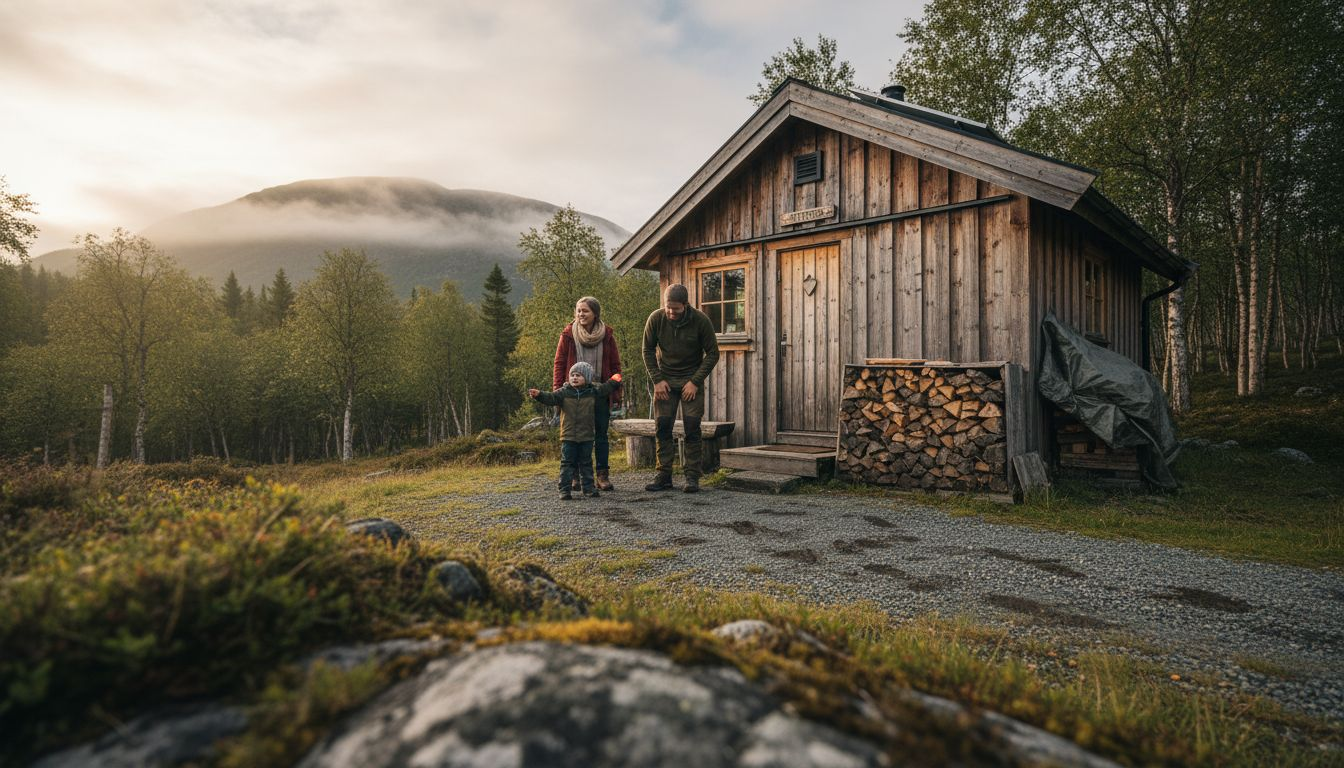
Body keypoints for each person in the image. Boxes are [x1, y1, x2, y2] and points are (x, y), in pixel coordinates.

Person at [641, 283, 720, 493]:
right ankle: (663, 475)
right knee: (662, 427)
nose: (670, 312)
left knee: (692, 429)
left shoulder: (701, 321)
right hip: (664, 380)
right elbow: (647, 350)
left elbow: (713, 353)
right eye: (668, 307)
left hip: (690, 380)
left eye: (675, 308)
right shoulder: (656, 319)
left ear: (685, 305)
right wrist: (657, 379)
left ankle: (692, 477)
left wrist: (695, 381)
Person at [553, 296, 622, 491]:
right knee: (575, 436)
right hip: (574, 394)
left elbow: (616, 366)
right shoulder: (568, 335)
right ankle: (574, 476)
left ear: (595, 314)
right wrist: (558, 392)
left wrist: (616, 391)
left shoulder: (607, 335)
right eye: (578, 310)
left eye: (585, 311)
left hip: (600, 392)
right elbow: (559, 365)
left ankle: (602, 475)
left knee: (601, 435)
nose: (581, 314)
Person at [529, 363, 622, 500]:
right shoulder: (564, 392)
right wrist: (539, 395)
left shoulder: (592, 392)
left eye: (578, 375)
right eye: (572, 375)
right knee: (567, 463)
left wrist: (614, 380)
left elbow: (604, 389)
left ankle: (589, 489)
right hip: (568, 435)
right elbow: (551, 398)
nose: (574, 378)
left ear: (587, 378)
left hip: (586, 436)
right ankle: (564, 490)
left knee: (586, 463)